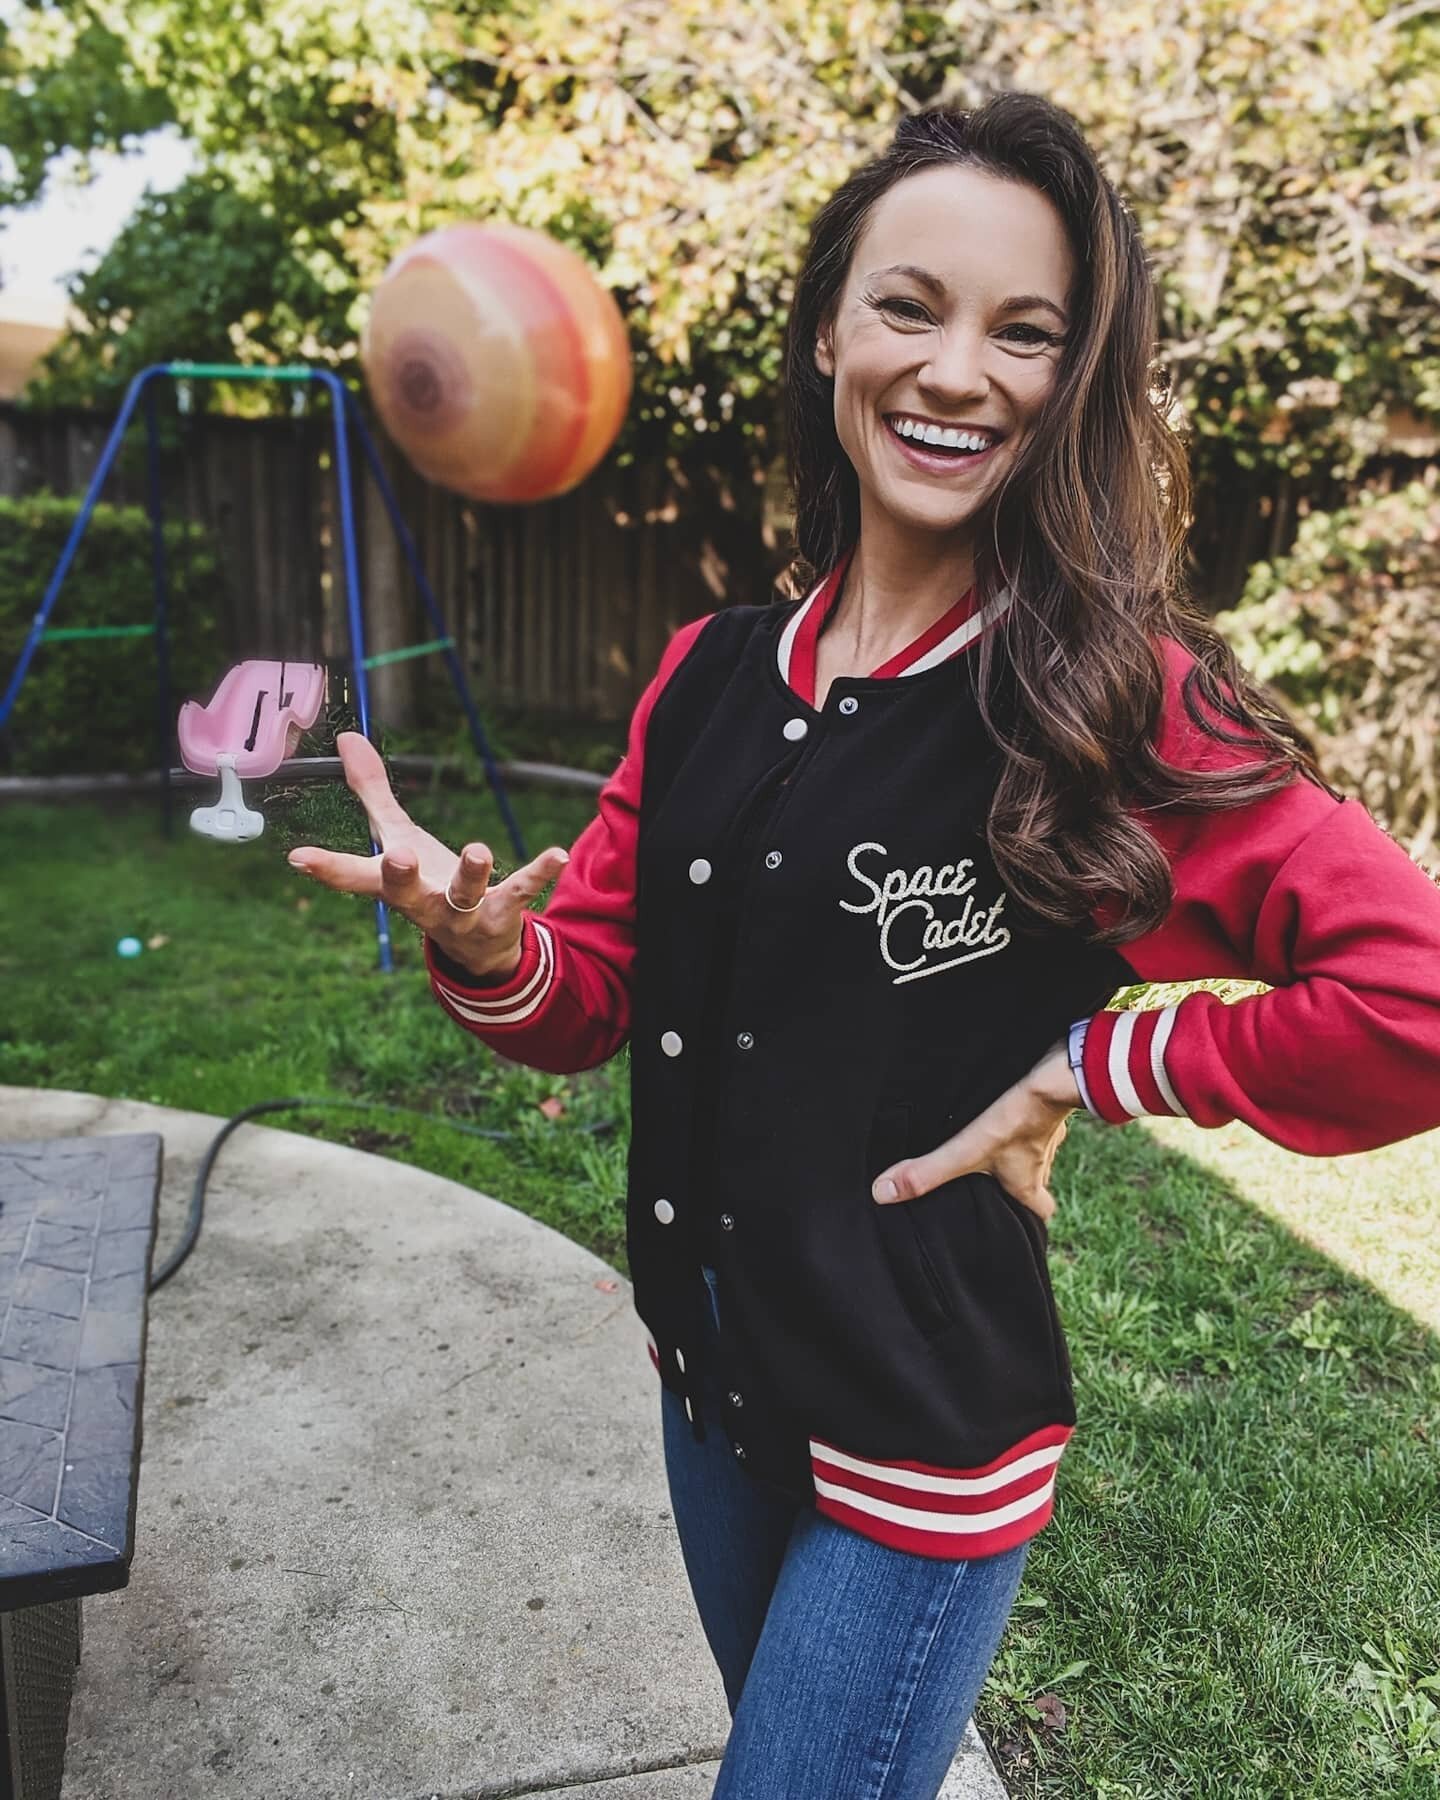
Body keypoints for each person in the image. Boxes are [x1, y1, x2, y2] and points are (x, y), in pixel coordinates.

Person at [289, 93, 1440, 1800]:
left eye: (1026, 332)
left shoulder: (1102, 701)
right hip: (711, 1395)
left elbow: (1412, 996)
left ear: (1074, 381)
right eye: (911, 305)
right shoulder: (707, 672)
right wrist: (477, 948)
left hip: (921, 1439)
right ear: (832, 324)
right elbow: (588, 1000)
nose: (958, 371)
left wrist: (1094, 1064)